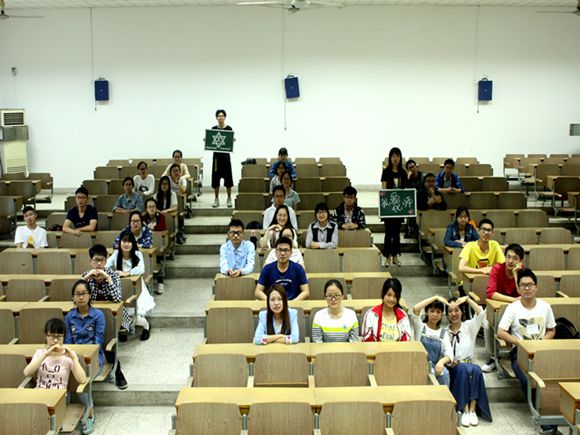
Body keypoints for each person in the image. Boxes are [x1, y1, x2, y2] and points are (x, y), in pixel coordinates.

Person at [24, 318, 89, 432]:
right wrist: (45, 354)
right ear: (46, 336)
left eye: (59, 337)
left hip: (58, 398)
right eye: (52, 336)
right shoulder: (40, 353)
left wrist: (74, 358)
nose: (55, 341)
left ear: (63, 338)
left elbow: (82, 379)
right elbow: (27, 372)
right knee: (30, 420)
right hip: (39, 394)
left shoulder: (68, 356)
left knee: (44, 422)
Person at [497, 269, 556, 393]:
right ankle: (535, 403)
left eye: (530, 285)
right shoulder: (512, 308)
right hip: (520, 352)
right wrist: (519, 343)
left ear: (536, 287)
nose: (527, 288)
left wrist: (541, 341)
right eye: (523, 285)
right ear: (518, 289)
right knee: (527, 381)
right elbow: (500, 332)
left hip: (541, 350)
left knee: (550, 377)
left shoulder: (545, 307)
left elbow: (551, 330)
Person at [65, 280, 106, 433]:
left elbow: (98, 342)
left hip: (94, 359)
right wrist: (75, 358)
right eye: (77, 294)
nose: (81, 297)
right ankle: (65, 413)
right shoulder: (69, 317)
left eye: (84, 293)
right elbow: (68, 341)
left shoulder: (98, 315)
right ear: (73, 297)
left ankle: (90, 413)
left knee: (81, 376)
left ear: (89, 295)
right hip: (74, 357)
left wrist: (83, 358)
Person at [446, 296, 492, 427]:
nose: (454, 314)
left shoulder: (469, 326)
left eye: (457, 310)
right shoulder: (445, 332)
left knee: (475, 369)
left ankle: (473, 410)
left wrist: (467, 299)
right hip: (454, 368)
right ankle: (465, 409)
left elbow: (481, 313)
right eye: (450, 311)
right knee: (463, 369)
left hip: (470, 365)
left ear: (462, 312)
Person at [481, 243, 525, 373]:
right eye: (508, 257)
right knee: (487, 323)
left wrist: (516, 274)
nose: (510, 261)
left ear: (520, 261)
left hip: (518, 310)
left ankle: (520, 353)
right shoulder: (497, 269)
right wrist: (512, 300)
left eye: (515, 258)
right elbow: (490, 293)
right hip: (497, 308)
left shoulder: (524, 272)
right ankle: (492, 357)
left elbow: (523, 294)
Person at [81, 244, 131, 353]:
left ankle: (110, 349)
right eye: (96, 260)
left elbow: (117, 299)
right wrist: (86, 280)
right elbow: (77, 299)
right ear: (90, 261)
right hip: (92, 312)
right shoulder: (86, 275)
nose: (99, 264)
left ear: (106, 261)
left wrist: (108, 279)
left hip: (111, 312)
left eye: (102, 260)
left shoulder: (113, 275)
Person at [106, 231, 154, 341]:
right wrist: (114, 273)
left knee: (136, 313)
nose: (126, 244)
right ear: (120, 242)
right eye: (124, 241)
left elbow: (141, 269)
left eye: (129, 242)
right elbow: (106, 266)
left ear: (133, 243)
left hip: (136, 287)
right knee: (121, 310)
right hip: (121, 287)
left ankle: (146, 327)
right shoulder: (116, 254)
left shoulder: (137, 254)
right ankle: (124, 329)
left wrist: (127, 273)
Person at [409, 295, 452, 386]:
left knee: (445, 374)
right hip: (419, 365)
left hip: (435, 367)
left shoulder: (444, 333)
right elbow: (416, 309)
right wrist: (435, 297)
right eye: (432, 311)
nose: (435, 315)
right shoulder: (420, 327)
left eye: (438, 312)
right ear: (426, 312)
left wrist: (441, 362)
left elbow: (449, 355)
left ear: (442, 314)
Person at [255, 237, 309, 301]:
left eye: (286, 250)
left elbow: (306, 292)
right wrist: (271, 301)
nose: (282, 253)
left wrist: (292, 303)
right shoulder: (267, 269)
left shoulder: (298, 268)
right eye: (280, 250)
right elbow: (258, 292)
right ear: (275, 252)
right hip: (273, 304)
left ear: (291, 252)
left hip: (293, 303)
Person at [361, 278, 412, 342]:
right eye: (389, 295)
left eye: (395, 296)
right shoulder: (371, 314)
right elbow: (367, 341)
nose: (391, 299)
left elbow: (405, 342)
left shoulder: (403, 316)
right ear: (383, 294)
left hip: (397, 348)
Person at [381, 147, 407, 266]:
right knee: (388, 233)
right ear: (390, 158)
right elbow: (383, 189)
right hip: (389, 208)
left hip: (399, 208)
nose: (395, 158)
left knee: (396, 233)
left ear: (400, 158)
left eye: (397, 156)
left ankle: (395, 256)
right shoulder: (386, 172)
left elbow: (405, 190)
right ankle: (387, 257)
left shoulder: (403, 173)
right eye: (393, 156)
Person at [142, 198, 166, 294]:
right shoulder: (143, 218)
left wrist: (149, 227)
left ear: (156, 208)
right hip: (145, 246)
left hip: (158, 245)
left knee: (158, 258)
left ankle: (160, 282)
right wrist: (151, 228)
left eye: (153, 207)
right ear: (146, 209)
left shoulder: (161, 217)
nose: (151, 209)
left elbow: (162, 228)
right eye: (149, 207)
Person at [210, 110, 234, 208]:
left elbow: (230, 141)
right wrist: (207, 140)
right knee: (216, 179)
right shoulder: (213, 129)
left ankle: (229, 198)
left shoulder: (229, 129)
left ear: (225, 117)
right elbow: (211, 141)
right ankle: (216, 198)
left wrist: (232, 140)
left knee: (228, 179)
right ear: (216, 117)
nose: (221, 117)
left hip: (226, 157)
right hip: (216, 158)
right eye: (219, 116)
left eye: (222, 116)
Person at [404, 160, 423, 238]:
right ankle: (411, 229)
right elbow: (405, 191)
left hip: (422, 200)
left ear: (416, 167)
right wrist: (408, 178)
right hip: (412, 201)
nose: (412, 169)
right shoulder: (407, 178)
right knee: (410, 207)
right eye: (410, 168)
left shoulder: (423, 176)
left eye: (413, 167)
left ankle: (413, 230)